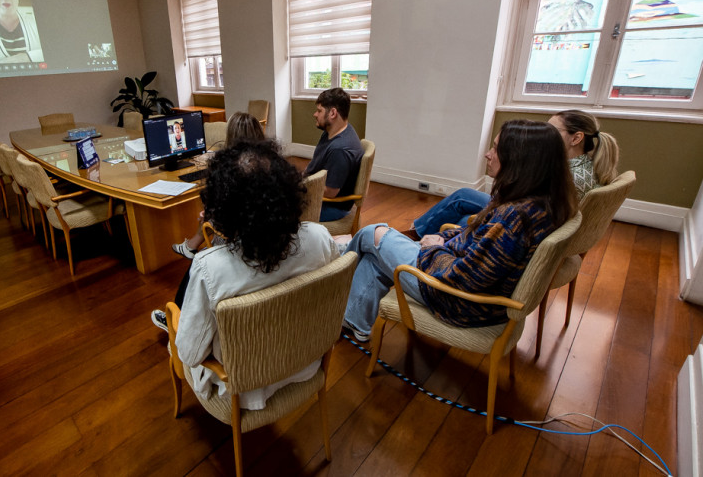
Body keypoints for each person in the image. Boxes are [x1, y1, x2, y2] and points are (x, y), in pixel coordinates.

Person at [342, 120, 577, 340]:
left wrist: (434, 250)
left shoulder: (515, 218)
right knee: (375, 256)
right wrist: (442, 239)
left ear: (519, 159)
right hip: (464, 283)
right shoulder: (541, 203)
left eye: (495, 149)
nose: (488, 154)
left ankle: (334, 273)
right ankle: (354, 321)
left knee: (372, 233)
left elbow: (465, 280)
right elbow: (474, 235)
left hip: (456, 301)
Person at [161, 140, 342, 410]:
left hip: (242, 390)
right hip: (307, 365)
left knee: (175, 320)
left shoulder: (209, 268)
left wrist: (176, 320)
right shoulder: (320, 238)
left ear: (221, 207)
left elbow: (189, 353)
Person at [408, 109, 618, 238]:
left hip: (534, 231)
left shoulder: (568, 177)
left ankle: (416, 238)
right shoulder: (582, 167)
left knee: (463, 215)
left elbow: (522, 208)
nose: (546, 134)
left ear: (576, 138)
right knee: (464, 196)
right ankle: (417, 234)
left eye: (553, 130)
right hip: (546, 227)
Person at [171, 112, 266, 258]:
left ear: (231, 136)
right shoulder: (270, 163)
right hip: (268, 230)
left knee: (209, 215)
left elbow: (229, 210)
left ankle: (191, 246)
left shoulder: (229, 170)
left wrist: (211, 213)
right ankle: (191, 245)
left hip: (238, 240)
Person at [302, 88, 364, 222]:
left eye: (319, 111)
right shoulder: (333, 131)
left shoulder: (340, 149)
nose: (315, 114)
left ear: (333, 113)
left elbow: (330, 192)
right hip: (318, 196)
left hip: (330, 207)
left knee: (276, 211)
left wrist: (299, 187)